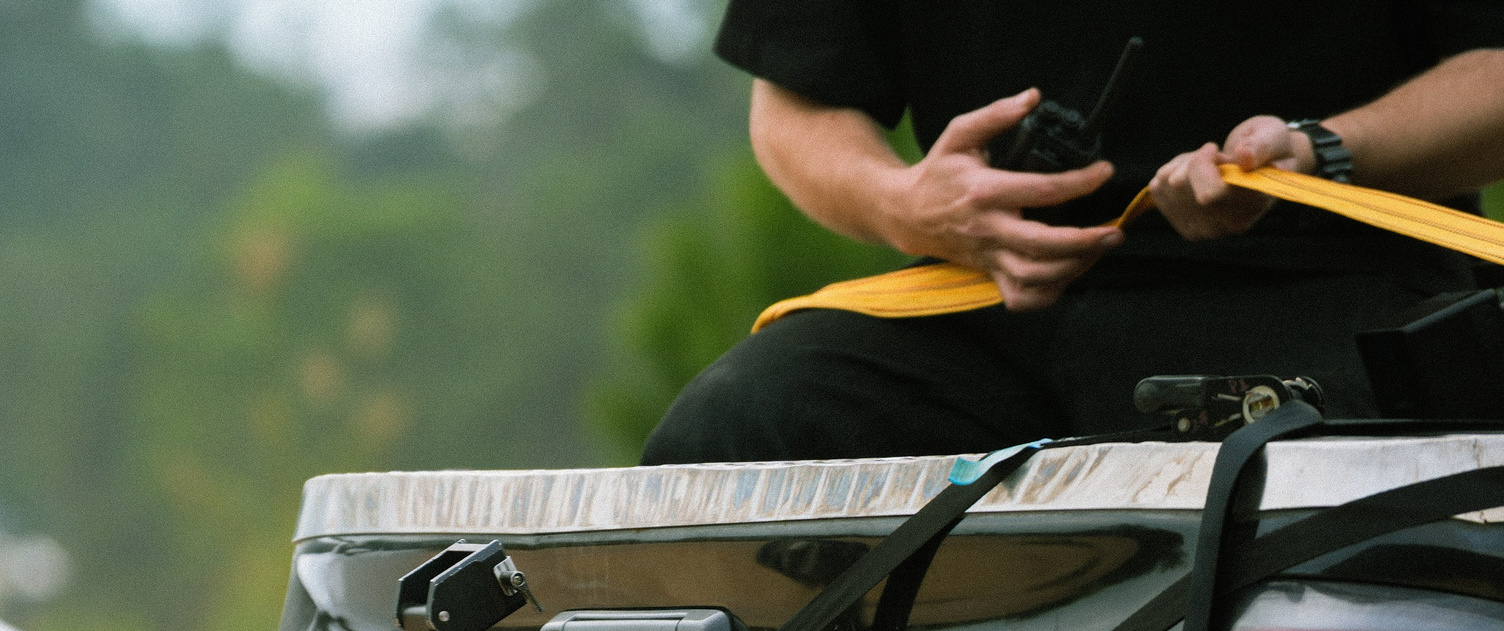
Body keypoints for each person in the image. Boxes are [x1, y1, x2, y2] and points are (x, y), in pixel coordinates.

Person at [644, 6, 1504, 463]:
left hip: (1327, 285)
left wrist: (1319, 151)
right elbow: (799, 104)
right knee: (734, 431)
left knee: (1339, 491)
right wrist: (907, 202)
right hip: (985, 307)